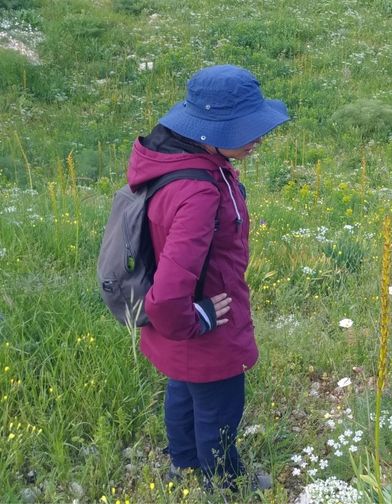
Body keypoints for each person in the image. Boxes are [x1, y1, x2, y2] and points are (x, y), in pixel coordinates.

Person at [126, 64, 290, 490]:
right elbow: (165, 297)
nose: (258, 137)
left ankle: (183, 464)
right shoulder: (198, 191)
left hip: (184, 326)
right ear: (208, 130)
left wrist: (182, 323)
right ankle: (223, 483)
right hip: (205, 323)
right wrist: (195, 320)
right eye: (245, 128)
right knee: (219, 406)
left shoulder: (180, 161)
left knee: (183, 389)